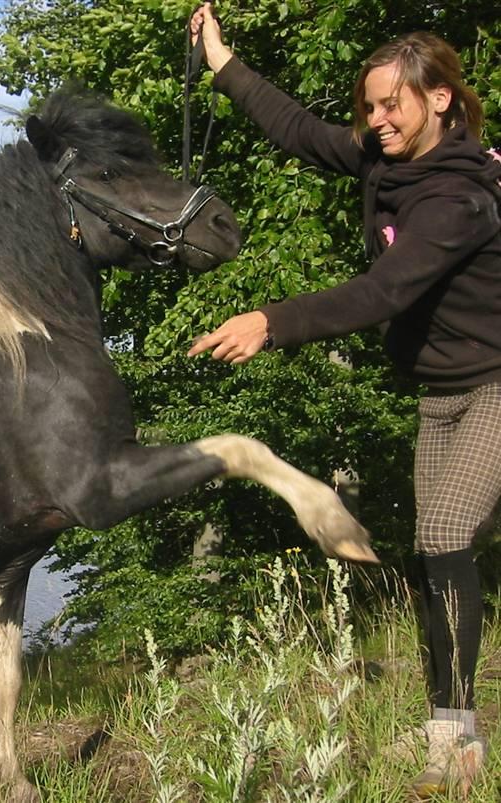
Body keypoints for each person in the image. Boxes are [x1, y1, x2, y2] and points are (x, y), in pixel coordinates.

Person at [187, 4, 501, 798]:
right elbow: (294, 127)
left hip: (499, 384)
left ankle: (462, 747)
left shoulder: (460, 201)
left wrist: (271, 320)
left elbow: (384, 290)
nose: (375, 120)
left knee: (442, 531)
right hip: (440, 394)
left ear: (438, 101)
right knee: (437, 555)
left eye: (390, 104)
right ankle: (447, 725)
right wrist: (221, 59)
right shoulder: (382, 160)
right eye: (368, 107)